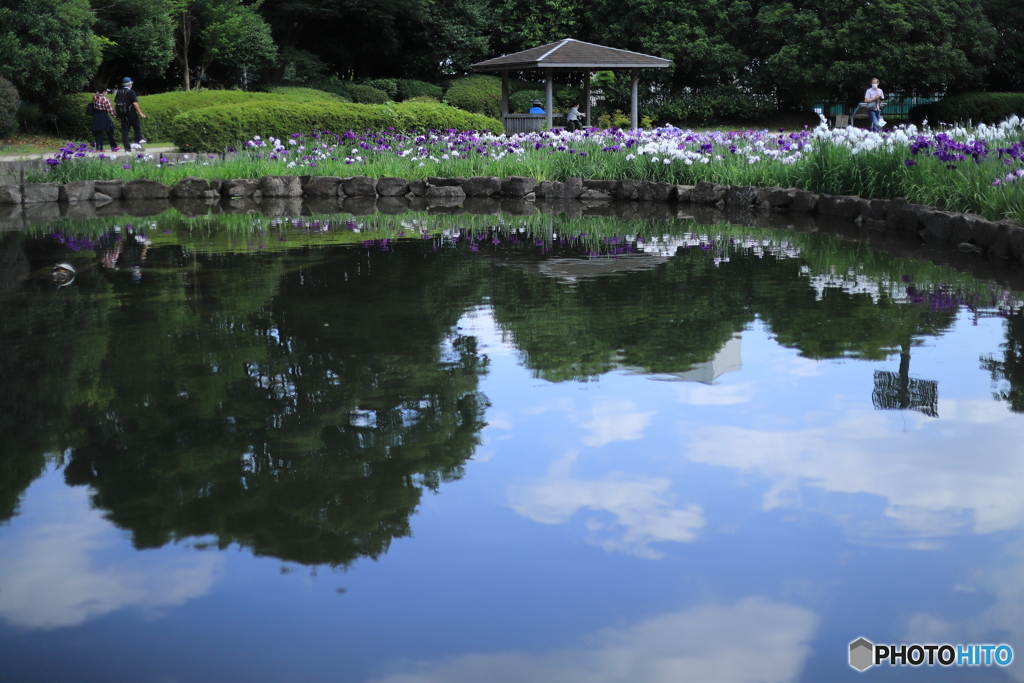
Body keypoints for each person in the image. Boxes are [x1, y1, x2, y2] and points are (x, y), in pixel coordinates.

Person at [115, 77, 147, 150]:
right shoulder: (131, 92)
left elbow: (117, 103)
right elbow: (135, 103)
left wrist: (118, 114)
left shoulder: (119, 92)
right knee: (137, 128)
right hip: (131, 114)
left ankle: (127, 148)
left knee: (125, 131)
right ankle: (138, 144)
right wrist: (140, 113)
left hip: (123, 114)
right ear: (129, 84)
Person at [88, 87, 118, 152]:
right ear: (104, 91)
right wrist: (116, 116)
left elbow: (95, 95)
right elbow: (110, 110)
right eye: (106, 91)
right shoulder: (105, 99)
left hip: (96, 115)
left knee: (98, 132)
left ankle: (99, 148)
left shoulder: (95, 97)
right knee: (109, 130)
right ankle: (113, 147)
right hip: (103, 115)